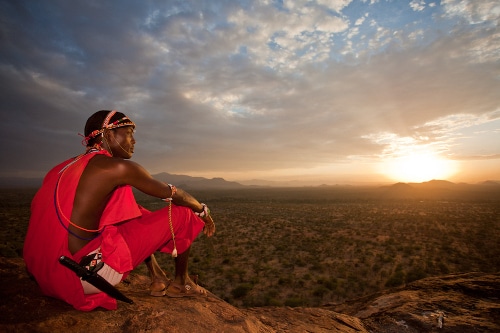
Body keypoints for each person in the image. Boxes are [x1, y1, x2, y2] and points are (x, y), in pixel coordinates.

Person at [23, 110, 215, 311]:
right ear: (108, 134)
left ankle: (157, 275)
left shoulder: (63, 168)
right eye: (129, 133)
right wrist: (202, 211)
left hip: (45, 273)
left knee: (131, 212)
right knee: (185, 213)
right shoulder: (119, 167)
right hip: (83, 276)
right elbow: (174, 194)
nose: (134, 141)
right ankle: (181, 283)